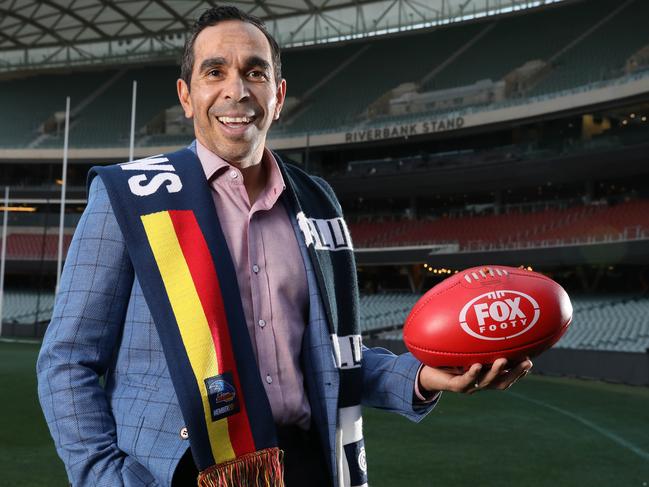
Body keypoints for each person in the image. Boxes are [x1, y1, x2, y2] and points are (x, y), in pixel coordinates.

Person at [36, 6, 532, 487]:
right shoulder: (129, 197)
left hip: (307, 464)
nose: (236, 90)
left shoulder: (316, 201)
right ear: (187, 96)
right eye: (215, 71)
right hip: (181, 469)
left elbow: (332, 355)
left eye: (255, 72)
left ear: (278, 95)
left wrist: (423, 377)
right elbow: (67, 361)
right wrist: (103, 478)